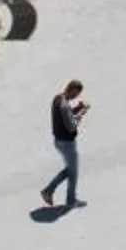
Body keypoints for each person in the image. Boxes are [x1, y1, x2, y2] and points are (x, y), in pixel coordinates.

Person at [43, 79, 87, 211]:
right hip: (67, 143)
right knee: (73, 172)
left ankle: (51, 192)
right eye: (77, 93)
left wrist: (78, 108)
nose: (76, 96)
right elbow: (71, 126)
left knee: (71, 170)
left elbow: (66, 116)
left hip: (59, 141)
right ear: (72, 90)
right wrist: (81, 114)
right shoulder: (64, 105)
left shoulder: (58, 99)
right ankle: (67, 199)